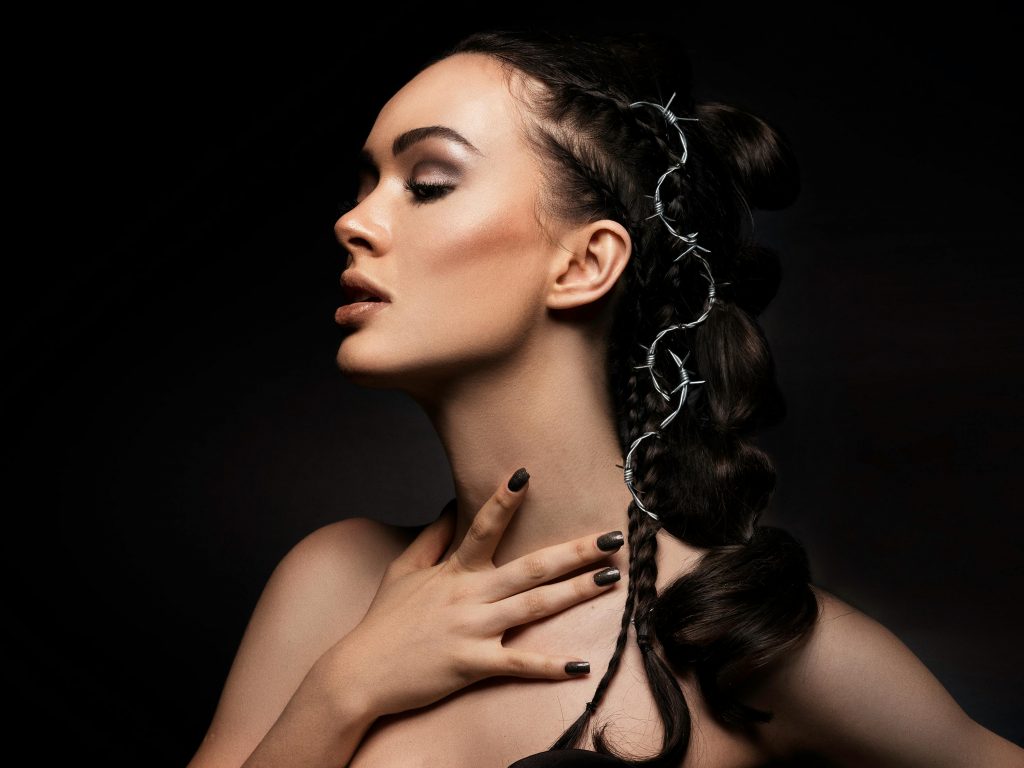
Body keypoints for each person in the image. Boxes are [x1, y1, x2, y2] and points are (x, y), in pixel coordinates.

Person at [186, 29, 1023, 768]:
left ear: (586, 262)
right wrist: (343, 690)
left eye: (428, 181)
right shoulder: (331, 586)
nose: (355, 220)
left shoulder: (734, 640)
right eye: (365, 182)